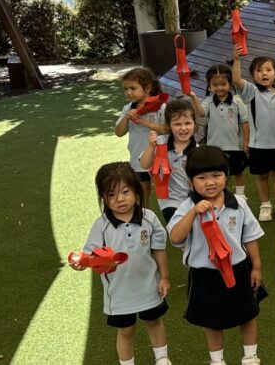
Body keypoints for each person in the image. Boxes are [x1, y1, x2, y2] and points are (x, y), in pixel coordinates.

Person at [168, 145, 266, 365]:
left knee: (248, 314)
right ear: (191, 181)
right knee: (211, 321)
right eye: (202, 177)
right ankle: (217, 360)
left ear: (227, 175)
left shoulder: (238, 204)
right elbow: (175, 237)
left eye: (216, 175)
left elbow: (250, 236)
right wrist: (193, 213)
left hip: (239, 268)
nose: (210, 182)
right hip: (205, 273)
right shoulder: (187, 207)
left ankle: (250, 356)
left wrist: (257, 267)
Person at [71, 162, 172, 365]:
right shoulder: (101, 225)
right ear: (103, 198)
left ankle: (162, 358)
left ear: (136, 191)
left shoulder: (149, 218)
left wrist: (165, 278)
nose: (119, 199)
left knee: (154, 321)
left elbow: (158, 250)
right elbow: (90, 254)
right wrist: (82, 262)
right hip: (119, 291)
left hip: (148, 285)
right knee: (126, 329)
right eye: (111, 195)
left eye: (125, 191)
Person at [233, 46, 275, 221]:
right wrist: (236, 59)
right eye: (259, 70)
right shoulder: (252, 92)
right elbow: (236, 79)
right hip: (258, 145)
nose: (264, 74)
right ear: (252, 75)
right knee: (262, 175)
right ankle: (265, 204)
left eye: (268, 69)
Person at [194, 64, 251, 201]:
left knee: (238, 171)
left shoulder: (237, 101)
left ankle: (240, 195)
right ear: (209, 86)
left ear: (230, 84)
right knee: (218, 173)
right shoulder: (208, 102)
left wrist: (246, 141)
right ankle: (222, 194)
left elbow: (245, 122)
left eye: (223, 84)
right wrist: (194, 99)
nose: (219, 87)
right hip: (215, 147)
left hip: (234, 145)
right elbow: (201, 114)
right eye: (215, 85)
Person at [114, 67, 169, 208]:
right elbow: (119, 132)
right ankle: (144, 219)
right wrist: (126, 117)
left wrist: (144, 122)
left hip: (160, 156)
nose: (128, 92)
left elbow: (167, 129)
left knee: (165, 191)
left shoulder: (161, 107)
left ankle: (170, 215)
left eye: (133, 88)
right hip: (137, 156)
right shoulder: (127, 109)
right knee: (142, 190)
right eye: (126, 89)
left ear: (148, 88)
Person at [139, 98, 198, 222]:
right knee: (178, 232)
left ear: (194, 124)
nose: (183, 128)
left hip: (192, 198)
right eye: (177, 124)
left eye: (187, 123)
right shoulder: (161, 142)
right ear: (168, 126)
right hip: (169, 200)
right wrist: (151, 146)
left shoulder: (197, 151)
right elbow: (144, 164)